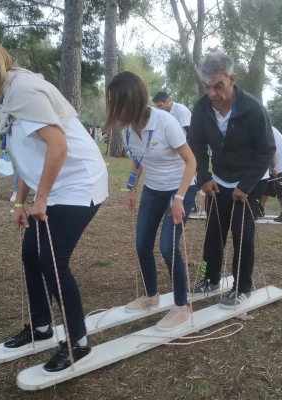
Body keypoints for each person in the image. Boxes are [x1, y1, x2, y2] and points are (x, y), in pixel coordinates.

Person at [0, 34, 108, 373]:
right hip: (54, 183)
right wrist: (19, 203)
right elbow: (27, 155)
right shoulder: (6, 94)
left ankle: (77, 343)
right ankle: (41, 329)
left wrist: (41, 198)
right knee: (30, 254)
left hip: (78, 182)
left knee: (52, 260)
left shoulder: (22, 89)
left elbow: (58, 147)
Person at [104, 71, 197, 331]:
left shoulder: (166, 122)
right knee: (142, 243)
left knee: (168, 246)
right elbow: (138, 160)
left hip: (181, 188)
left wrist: (178, 198)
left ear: (131, 101)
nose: (113, 109)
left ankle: (182, 307)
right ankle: (151, 295)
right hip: (153, 190)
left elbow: (191, 161)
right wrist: (131, 188)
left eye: (116, 103)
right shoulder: (126, 131)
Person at [188, 51, 275, 308]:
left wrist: (246, 186)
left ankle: (242, 287)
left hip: (250, 182)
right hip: (219, 180)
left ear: (232, 79)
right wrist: (204, 177)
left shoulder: (253, 109)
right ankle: (210, 279)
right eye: (207, 87)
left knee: (242, 233)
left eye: (219, 86)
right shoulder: (202, 108)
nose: (213, 93)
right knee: (213, 233)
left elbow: (266, 150)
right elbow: (197, 145)